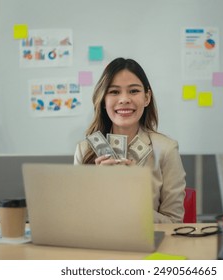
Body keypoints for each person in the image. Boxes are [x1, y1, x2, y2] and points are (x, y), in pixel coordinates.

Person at [74, 57, 186, 223]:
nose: (125, 99)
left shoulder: (166, 149)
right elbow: (77, 218)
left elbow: (175, 223)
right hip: (99, 244)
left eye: (133, 91)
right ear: (103, 100)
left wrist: (133, 198)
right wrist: (98, 187)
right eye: (114, 92)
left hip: (149, 244)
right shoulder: (85, 150)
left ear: (146, 98)